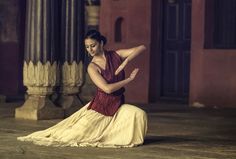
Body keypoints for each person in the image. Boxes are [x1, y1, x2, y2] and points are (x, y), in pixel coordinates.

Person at [17, 30, 148, 148]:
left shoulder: (116, 55)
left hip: (117, 106)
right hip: (100, 109)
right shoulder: (92, 67)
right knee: (72, 136)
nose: (90, 50)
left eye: (93, 45)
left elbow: (141, 48)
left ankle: (115, 134)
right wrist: (129, 80)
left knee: (139, 114)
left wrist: (125, 61)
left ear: (101, 43)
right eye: (87, 47)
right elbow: (107, 89)